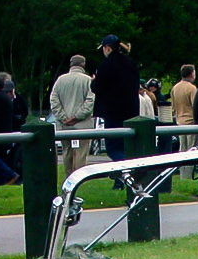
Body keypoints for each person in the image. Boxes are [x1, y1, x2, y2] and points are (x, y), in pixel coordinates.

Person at [91, 34, 139, 163]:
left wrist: (94, 81)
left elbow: (97, 88)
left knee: (113, 148)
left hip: (112, 113)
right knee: (126, 147)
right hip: (131, 112)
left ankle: (129, 170)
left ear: (107, 48)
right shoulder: (130, 63)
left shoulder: (105, 65)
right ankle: (122, 179)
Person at [49, 53, 94, 178]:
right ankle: (78, 180)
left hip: (64, 126)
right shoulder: (88, 80)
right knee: (81, 155)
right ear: (83, 65)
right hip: (82, 125)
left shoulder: (60, 80)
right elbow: (90, 101)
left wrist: (63, 117)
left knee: (66, 153)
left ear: (70, 64)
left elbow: (54, 100)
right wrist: (77, 116)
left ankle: (68, 179)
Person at [172, 64, 197, 129]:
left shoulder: (175, 88)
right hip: (191, 123)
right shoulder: (192, 88)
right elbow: (195, 106)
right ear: (192, 74)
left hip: (179, 122)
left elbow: (173, 106)